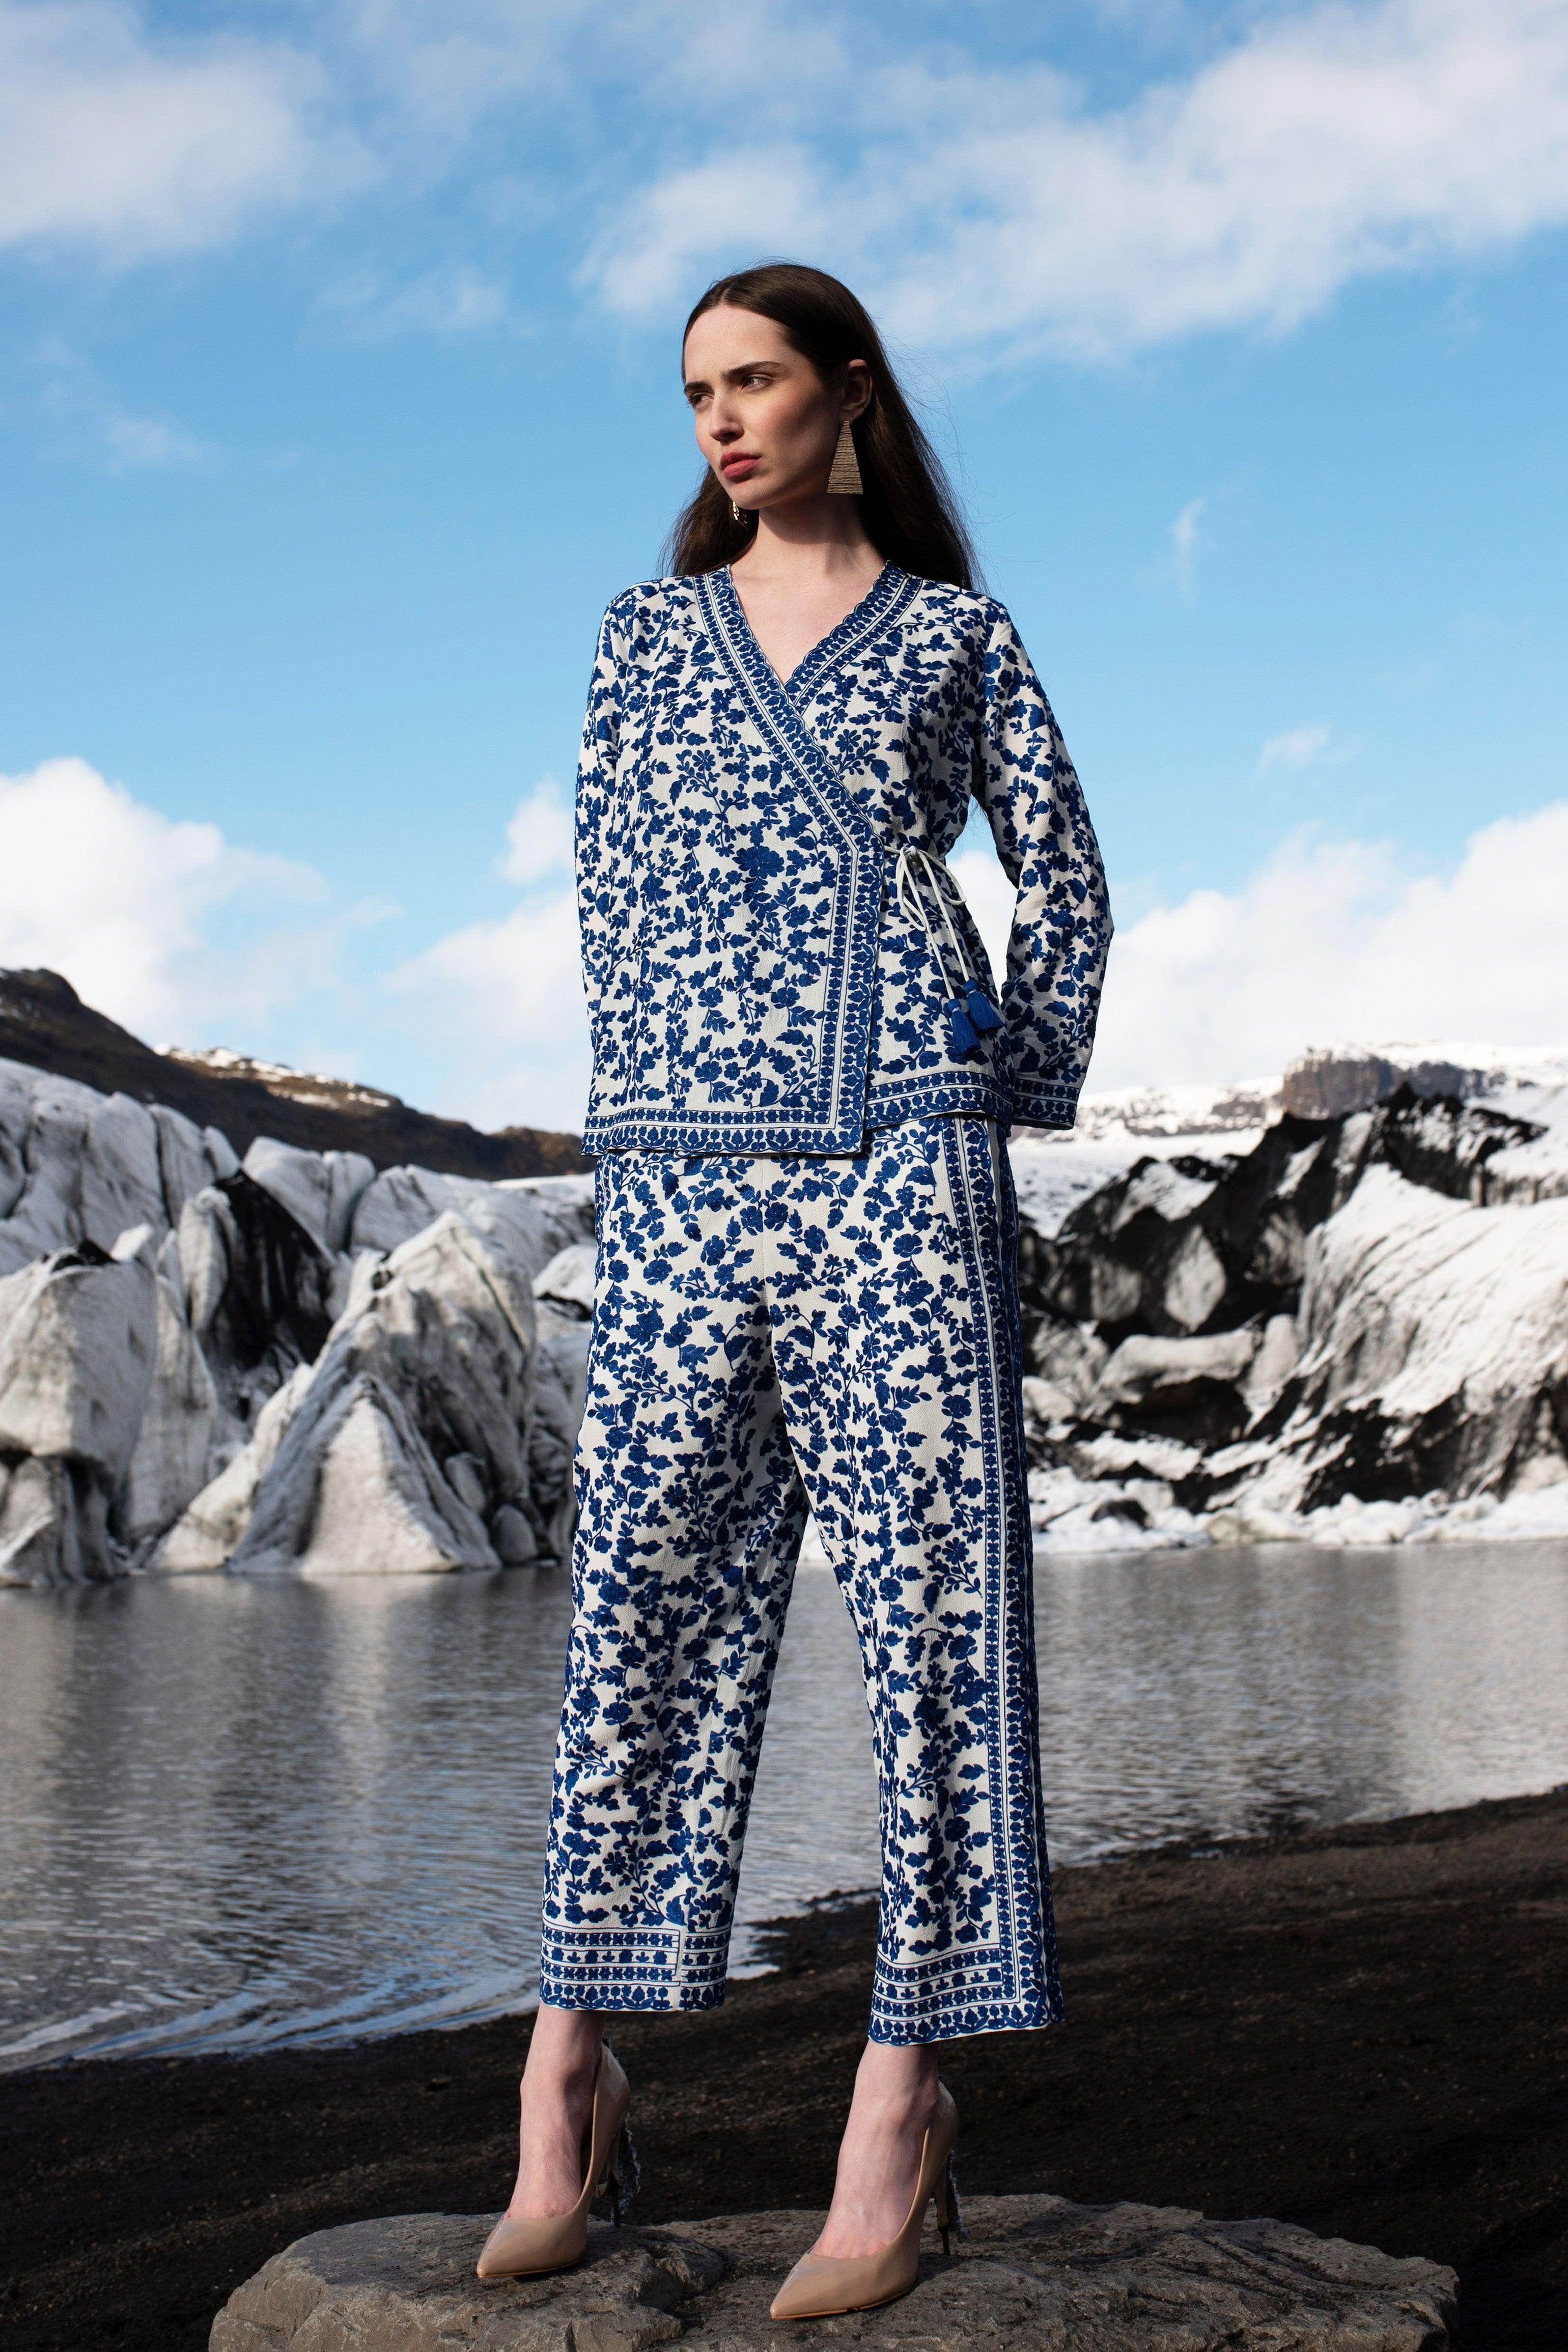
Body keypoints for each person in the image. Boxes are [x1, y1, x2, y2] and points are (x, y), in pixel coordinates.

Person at [478, 260, 1112, 2319]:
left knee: (936, 1623)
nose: (722, 421)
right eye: (696, 394)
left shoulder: (951, 633)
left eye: (754, 380)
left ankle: (897, 2106)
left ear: (849, 392)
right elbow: (611, 894)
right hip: (679, 1170)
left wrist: (1000, 1073)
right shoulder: (644, 635)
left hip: (901, 1151)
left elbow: (1065, 872)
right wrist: (645, 1132)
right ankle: (567, 2074)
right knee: (640, 1608)